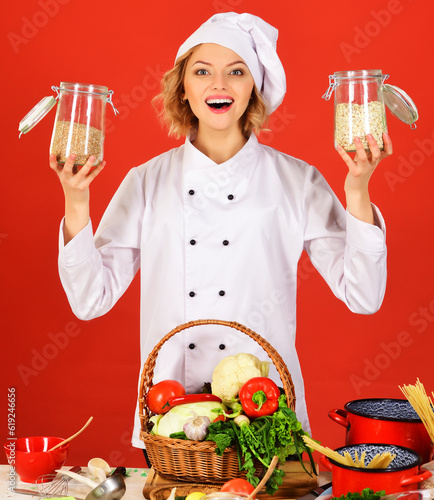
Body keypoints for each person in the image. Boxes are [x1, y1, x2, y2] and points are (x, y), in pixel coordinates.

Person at [49, 12, 392, 459]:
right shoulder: (146, 181)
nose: (220, 85)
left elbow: (364, 295)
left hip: (265, 411)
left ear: (253, 88)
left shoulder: (296, 180)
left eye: (236, 72)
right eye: (202, 71)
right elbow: (89, 298)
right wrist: (76, 201)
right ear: (183, 88)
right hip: (170, 413)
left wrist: (357, 187)